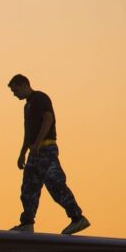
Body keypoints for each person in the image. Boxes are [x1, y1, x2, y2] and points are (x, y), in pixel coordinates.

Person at [8, 74, 90, 234]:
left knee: (55, 184)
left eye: (15, 90)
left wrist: (38, 143)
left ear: (24, 85)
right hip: (34, 153)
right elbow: (28, 132)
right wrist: (22, 152)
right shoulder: (27, 106)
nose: (14, 94)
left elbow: (48, 119)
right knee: (28, 188)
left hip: (45, 150)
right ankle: (27, 223)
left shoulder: (40, 98)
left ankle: (77, 218)